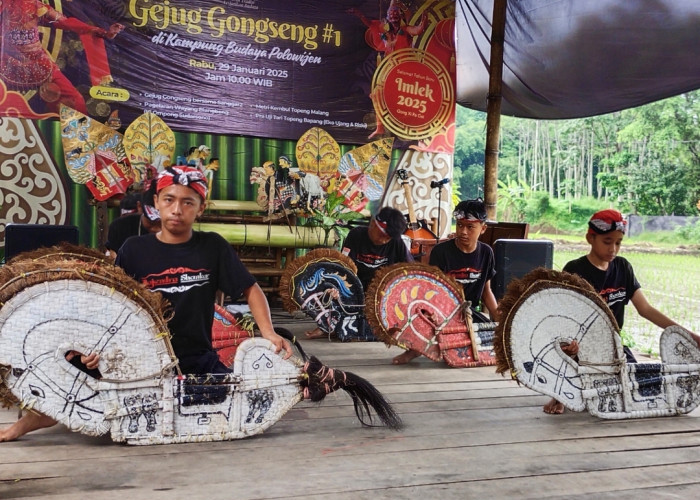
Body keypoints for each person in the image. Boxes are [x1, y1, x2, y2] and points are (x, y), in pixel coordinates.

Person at [0, 166, 292, 441]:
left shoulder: (212, 246)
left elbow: (250, 289)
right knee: (71, 369)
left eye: (188, 202)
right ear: (156, 201)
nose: (177, 209)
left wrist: (268, 332)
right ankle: (39, 416)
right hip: (133, 358)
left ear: (201, 208)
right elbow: (110, 306)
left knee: (240, 400)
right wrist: (94, 349)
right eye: (169, 199)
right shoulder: (134, 249)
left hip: (194, 357)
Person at [543, 209, 700, 414]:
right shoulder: (574, 270)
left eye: (618, 242)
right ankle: (561, 394)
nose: (613, 249)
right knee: (588, 391)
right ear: (591, 238)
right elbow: (561, 318)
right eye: (607, 242)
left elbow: (646, 309)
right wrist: (567, 348)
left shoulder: (623, 267)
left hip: (614, 350)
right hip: (580, 353)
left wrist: (690, 336)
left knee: (644, 387)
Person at [392, 198, 499, 364]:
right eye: (460, 225)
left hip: (469, 313)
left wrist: (499, 319)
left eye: (470, 227)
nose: (463, 231)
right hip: (442, 311)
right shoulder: (441, 252)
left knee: (488, 340)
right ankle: (415, 349)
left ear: (483, 228)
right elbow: (431, 292)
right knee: (427, 329)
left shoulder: (487, 253)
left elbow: (486, 291)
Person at [305, 206, 412, 338]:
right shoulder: (356, 235)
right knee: (327, 286)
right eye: (382, 235)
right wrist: (336, 287)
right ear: (373, 224)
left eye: (388, 238)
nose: (384, 240)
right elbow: (344, 266)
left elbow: (409, 271)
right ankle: (326, 326)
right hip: (353, 288)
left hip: (381, 293)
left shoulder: (397, 243)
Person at [0, 0, 124, 114]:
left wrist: (104, 33)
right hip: (4, 61)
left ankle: (67, 136)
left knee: (74, 102)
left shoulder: (35, 5)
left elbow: (65, 22)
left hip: (38, 63)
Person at [105, 185, 161, 260]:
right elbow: (113, 259)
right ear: (140, 206)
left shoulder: (178, 228)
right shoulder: (120, 227)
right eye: (151, 222)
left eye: (160, 222)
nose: (156, 228)